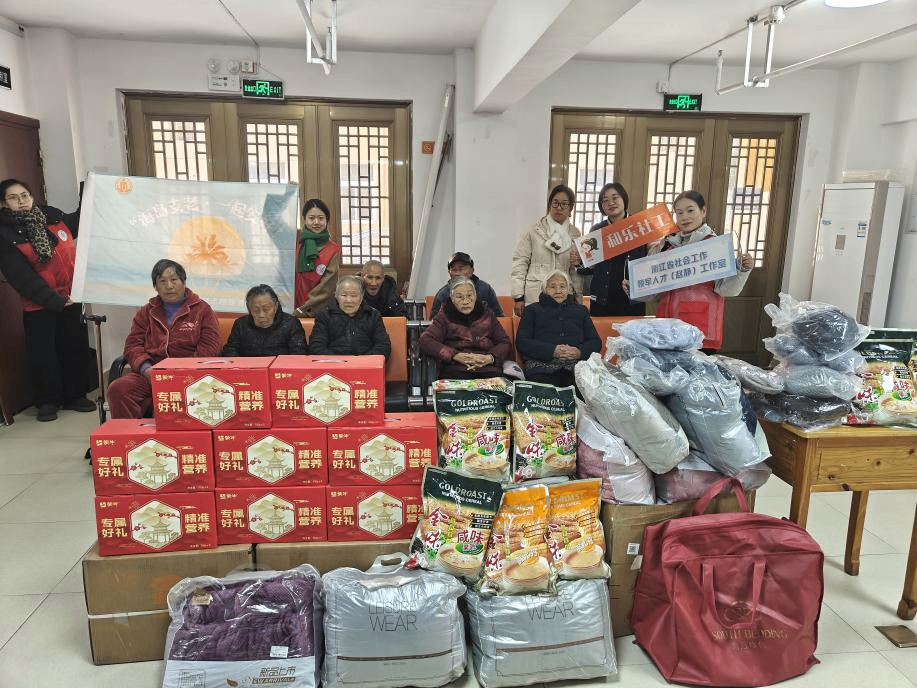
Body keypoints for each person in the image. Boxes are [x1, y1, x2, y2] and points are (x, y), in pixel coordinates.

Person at [0, 178, 95, 422]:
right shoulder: (5, 234)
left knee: (74, 348)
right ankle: (48, 401)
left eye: (25, 195)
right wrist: (55, 301)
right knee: (44, 355)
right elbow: (21, 277)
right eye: (13, 198)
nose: (21, 201)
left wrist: (89, 187)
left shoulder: (51, 217)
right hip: (39, 305)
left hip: (71, 298)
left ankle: (75, 395)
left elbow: (82, 220)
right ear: (3, 204)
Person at [625, 190, 754, 352]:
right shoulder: (667, 246)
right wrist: (635, 289)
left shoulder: (715, 246)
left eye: (690, 210)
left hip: (700, 332)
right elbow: (657, 293)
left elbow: (726, 289)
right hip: (667, 330)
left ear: (703, 211)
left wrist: (742, 269)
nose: (684, 217)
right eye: (679, 213)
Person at [108, 259, 221, 418]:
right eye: (162, 281)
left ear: (183, 282)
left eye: (174, 280)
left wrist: (183, 372)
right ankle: (131, 434)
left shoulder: (202, 310)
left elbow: (211, 347)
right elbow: (133, 346)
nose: (169, 286)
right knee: (119, 389)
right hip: (151, 374)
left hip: (190, 376)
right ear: (155, 286)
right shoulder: (146, 312)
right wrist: (146, 369)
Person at [515, 270, 601, 389]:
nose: (558, 291)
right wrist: (552, 350)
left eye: (562, 286)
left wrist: (579, 352)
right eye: (553, 286)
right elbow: (522, 342)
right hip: (541, 368)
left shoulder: (581, 311)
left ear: (568, 289)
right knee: (544, 393)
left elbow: (595, 342)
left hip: (577, 368)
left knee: (584, 391)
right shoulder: (532, 310)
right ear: (545, 289)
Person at [420, 275, 511, 380]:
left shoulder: (487, 313)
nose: (466, 301)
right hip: (456, 369)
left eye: (469, 295)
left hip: (487, 368)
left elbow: (504, 342)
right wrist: (454, 355)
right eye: (460, 297)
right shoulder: (444, 315)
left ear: (475, 296)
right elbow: (425, 340)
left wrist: (490, 357)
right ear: (452, 299)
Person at [511, 184, 583, 316]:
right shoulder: (533, 231)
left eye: (564, 204)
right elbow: (520, 263)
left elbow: (575, 272)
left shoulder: (575, 234)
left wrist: (578, 298)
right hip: (536, 294)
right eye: (555, 203)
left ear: (571, 208)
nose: (559, 208)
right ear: (549, 205)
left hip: (564, 296)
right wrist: (518, 297)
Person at [577, 182, 647, 316]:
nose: (611, 203)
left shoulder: (640, 226)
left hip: (632, 299)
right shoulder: (597, 230)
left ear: (624, 199)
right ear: (602, 206)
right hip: (602, 299)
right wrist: (578, 262)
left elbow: (650, 260)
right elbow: (588, 268)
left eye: (615, 197)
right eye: (605, 200)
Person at [308, 275, 392, 358]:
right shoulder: (324, 316)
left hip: (365, 364)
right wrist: (341, 362)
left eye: (353, 295)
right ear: (336, 296)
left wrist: (362, 361)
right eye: (344, 295)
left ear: (361, 297)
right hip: (333, 364)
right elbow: (316, 347)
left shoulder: (373, 315)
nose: (348, 300)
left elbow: (383, 346)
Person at [222, 284, 308, 357]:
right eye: (256, 310)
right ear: (249, 309)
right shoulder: (241, 324)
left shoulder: (291, 323)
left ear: (275, 307)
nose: (261, 315)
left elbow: (299, 353)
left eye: (266, 309)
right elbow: (230, 350)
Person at [295, 198, 340, 317]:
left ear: (327, 220)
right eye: (311, 218)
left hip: (315, 310)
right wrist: (286, 194)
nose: (316, 222)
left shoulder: (332, 249)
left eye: (321, 218)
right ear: (304, 219)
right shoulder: (294, 238)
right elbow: (272, 222)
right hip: (289, 304)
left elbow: (326, 288)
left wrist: (301, 310)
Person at [429, 252, 503, 318]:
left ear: (472, 270)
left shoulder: (485, 289)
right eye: (454, 270)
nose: (457, 273)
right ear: (449, 272)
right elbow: (434, 322)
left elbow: (499, 317)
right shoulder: (443, 294)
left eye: (461, 269)